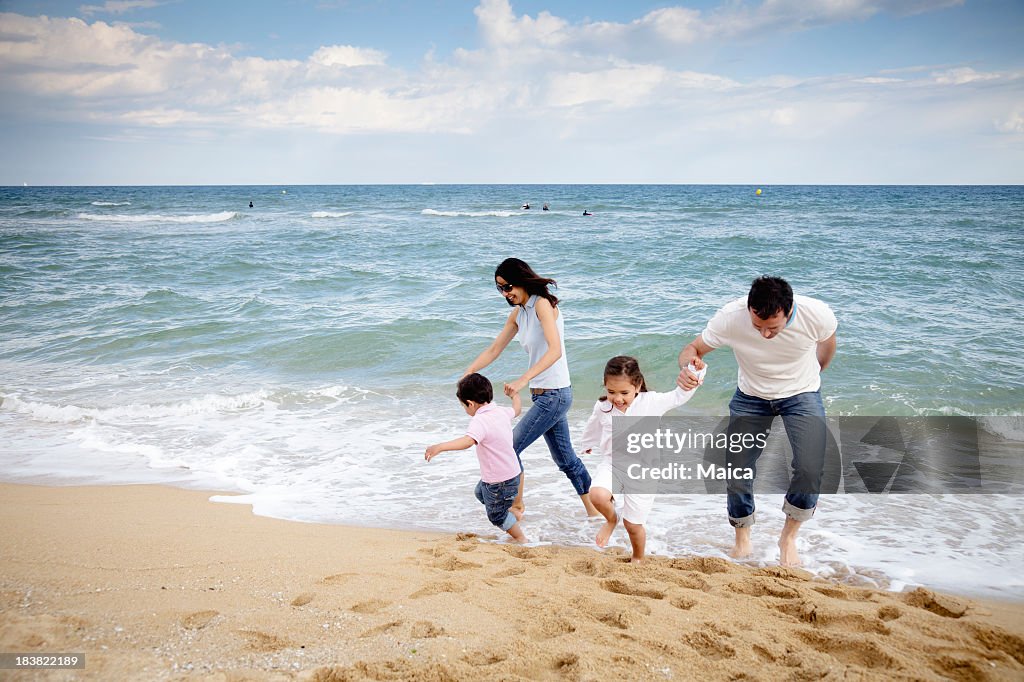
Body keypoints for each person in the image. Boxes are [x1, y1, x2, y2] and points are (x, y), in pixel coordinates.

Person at [677, 276, 837, 567]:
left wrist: (814, 374)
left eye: (772, 328)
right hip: (751, 395)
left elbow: (827, 344)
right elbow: (693, 348)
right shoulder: (731, 317)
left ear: (789, 312)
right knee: (737, 467)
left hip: (801, 392)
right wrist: (689, 366)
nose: (764, 333)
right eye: (757, 326)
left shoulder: (817, 314)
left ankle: (788, 538)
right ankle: (742, 539)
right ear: (749, 310)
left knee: (810, 467)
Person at [464, 258, 598, 517]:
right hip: (544, 396)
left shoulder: (542, 305)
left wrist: (523, 380)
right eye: (500, 289)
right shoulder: (518, 313)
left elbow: (555, 350)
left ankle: (516, 507)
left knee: (508, 448)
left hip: (555, 394)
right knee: (566, 460)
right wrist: (468, 373)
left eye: (508, 286)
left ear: (522, 280)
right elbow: (494, 349)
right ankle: (596, 512)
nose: (506, 293)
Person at [581, 356, 706, 563]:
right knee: (597, 495)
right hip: (613, 464)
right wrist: (587, 443)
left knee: (633, 525)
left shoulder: (651, 402)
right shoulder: (602, 406)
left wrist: (696, 372)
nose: (617, 398)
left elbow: (679, 396)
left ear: (637, 385)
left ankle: (638, 557)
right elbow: (594, 425)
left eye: (624, 393)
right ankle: (611, 520)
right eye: (611, 392)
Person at [425, 373, 526, 543]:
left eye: (464, 406)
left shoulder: (480, 420)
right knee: (480, 492)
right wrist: (514, 395)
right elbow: (517, 409)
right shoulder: (499, 411)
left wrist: (440, 447)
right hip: (512, 474)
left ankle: (520, 537)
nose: (465, 410)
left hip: (498, 481)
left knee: (495, 516)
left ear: (470, 404)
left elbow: (467, 441)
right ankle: (512, 514)